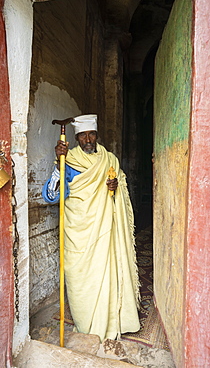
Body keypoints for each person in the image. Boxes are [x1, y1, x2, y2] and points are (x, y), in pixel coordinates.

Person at [42, 114, 140, 341]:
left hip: (105, 230)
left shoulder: (109, 159)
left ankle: (114, 320)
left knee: (108, 273)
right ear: (76, 138)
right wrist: (58, 165)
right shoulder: (69, 160)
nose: (88, 139)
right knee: (81, 279)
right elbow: (50, 197)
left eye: (91, 134)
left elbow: (122, 187)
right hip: (79, 232)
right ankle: (87, 323)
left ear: (97, 135)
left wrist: (115, 189)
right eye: (83, 135)